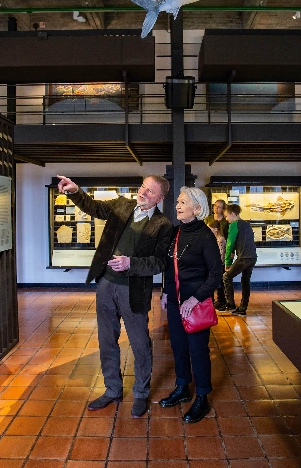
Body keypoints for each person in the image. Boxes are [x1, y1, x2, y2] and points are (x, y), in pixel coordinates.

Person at [57, 174, 172, 417]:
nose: (143, 192)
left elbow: (160, 263)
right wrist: (75, 191)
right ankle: (112, 389)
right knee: (107, 340)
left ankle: (141, 392)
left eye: (150, 191)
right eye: (143, 187)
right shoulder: (122, 205)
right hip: (107, 284)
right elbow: (94, 207)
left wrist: (131, 263)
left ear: (160, 198)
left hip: (134, 291)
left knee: (140, 343)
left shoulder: (163, 225)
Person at [159, 187, 223, 423]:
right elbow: (169, 267)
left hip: (196, 302)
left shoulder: (205, 236)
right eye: (177, 201)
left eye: (183, 202)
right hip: (176, 301)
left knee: (198, 351)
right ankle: (183, 387)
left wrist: (195, 298)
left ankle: (202, 396)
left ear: (197, 208)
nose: (177, 205)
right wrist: (166, 292)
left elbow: (216, 274)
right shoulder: (176, 233)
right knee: (178, 346)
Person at [221, 203, 257, 316]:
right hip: (252, 257)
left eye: (227, 216)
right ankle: (242, 308)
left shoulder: (234, 224)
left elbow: (229, 244)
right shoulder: (246, 224)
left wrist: (227, 262)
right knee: (245, 282)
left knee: (226, 277)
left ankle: (230, 304)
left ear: (233, 214)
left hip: (243, 258)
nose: (226, 219)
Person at [207, 219, 227, 308]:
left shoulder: (220, 239)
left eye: (209, 228)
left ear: (215, 229)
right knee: (218, 284)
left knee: (218, 284)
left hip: (217, 265)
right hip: (217, 264)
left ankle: (220, 301)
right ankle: (216, 301)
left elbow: (220, 253)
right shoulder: (217, 238)